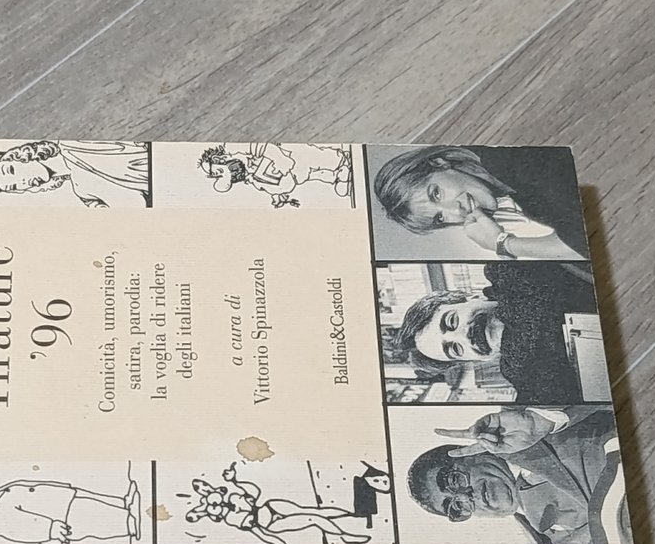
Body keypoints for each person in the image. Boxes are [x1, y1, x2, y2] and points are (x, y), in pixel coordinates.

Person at [406, 406, 619, 544]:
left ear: (470, 454)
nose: (466, 496)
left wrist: (552, 419)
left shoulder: (527, 425)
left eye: (454, 481)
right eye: (456, 507)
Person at [394, 262, 601, 403]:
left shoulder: (506, 271)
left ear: (470, 297)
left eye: (451, 321)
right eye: (455, 349)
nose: (463, 336)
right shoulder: (522, 378)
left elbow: (535, 311)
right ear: (478, 360)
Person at [373, 146, 585, 259]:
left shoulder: (508, 163)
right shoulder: (512, 190)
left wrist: (503, 245)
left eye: (436, 194)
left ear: (439, 163)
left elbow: (580, 244)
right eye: (440, 218)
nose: (455, 211)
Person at [0, 466, 141, 544]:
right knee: (94, 519)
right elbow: (18, 529)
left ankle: (123, 503)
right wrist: (50, 530)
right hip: (62, 516)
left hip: (60, 497)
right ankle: (128, 524)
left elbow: (19, 487)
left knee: (93, 501)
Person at [186, 462, 370, 544]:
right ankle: (344, 535)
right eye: (213, 508)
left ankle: (351, 515)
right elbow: (261, 533)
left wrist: (235, 481)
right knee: (312, 519)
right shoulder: (231, 519)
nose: (216, 505)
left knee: (313, 511)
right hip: (270, 523)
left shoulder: (234, 496)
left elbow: (254, 492)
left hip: (270, 507)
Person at [0, 139, 149, 207]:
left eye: (10, 170)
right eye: (13, 187)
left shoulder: (77, 144)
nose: (21, 182)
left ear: (19, 155)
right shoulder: (84, 194)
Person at [198, 143, 352, 207]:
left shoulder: (235, 150)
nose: (218, 176)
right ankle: (336, 177)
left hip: (290, 157)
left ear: (218, 158)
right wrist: (277, 196)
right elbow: (263, 184)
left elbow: (261, 146)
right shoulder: (248, 176)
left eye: (215, 172)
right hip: (291, 176)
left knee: (315, 157)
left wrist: (280, 159)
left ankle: (341, 160)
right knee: (311, 174)